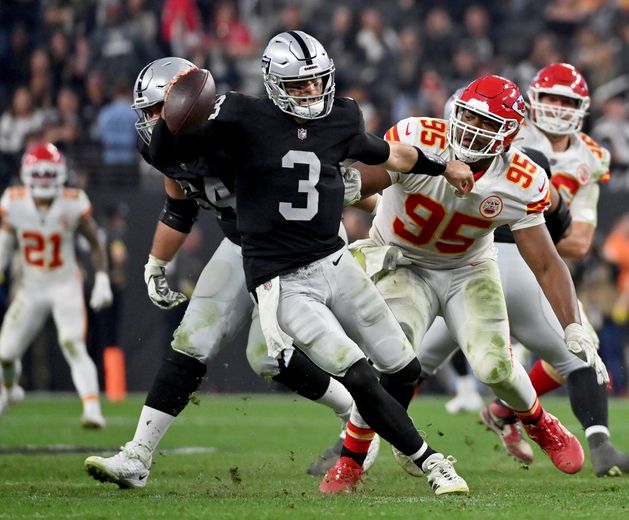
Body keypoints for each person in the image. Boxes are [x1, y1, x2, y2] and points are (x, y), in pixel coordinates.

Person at [147, 33, 473, 496]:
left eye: (318, 83)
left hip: (334, 260)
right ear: (275, 84)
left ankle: (375, 446)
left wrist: (443, 165)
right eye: (300, 86)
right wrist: (176, 110)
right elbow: (167, 155)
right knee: (357, 373)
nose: (312, 93)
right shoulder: (240, 114)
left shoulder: (340, 116)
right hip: (282, 279)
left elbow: (388, 152)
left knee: (402, 369)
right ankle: (431, 461)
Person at [83, 56, 378, 489]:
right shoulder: (161, 147)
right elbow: (178, 204)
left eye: (159, 110)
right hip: (243, 243)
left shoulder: (232, 129)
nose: (153, 122)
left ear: (188, 104)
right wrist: (156, 262)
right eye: (147, 113)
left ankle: (357, 416)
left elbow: (314, 159)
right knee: (192, 338)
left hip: (293, 247)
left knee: (265, 357)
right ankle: (137, 456)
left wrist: (358, 197)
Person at [350, 74, 605, 478]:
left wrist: (572, 324)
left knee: (495, 367)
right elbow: (360, 183)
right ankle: (351, 459)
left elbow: (545, 260)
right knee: (392, 357)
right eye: (469, 116)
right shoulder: (420, 137)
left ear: (509, 135)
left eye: (488, 124)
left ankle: (539, 422)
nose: (474, 128)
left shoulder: (520, 178)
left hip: (465, 270)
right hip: (403, 262)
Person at [420, 64, 629, 477]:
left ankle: (574, 435)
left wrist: (532, 226)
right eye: (552, 99)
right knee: (409, 358)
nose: (559, 109)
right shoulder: (506, 131)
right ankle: (351, 445)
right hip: (469, 255)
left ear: (582, 109)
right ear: (530, 102)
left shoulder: (590, 157)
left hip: (526, 257)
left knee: (580, 348)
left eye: (568, 102)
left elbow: (578, 243)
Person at [0, 143, 113, 426]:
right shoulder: (13, 202)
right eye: (38, 174)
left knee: (72, 343)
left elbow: (95, 241)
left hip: (65, 284)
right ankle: (11, 389)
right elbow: (4, 244)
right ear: (27, 175)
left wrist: (101, 277)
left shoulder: (73, 201)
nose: (44, 180)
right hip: (31, 287)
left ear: (60, 173)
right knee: (5, 354)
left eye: (48, 173)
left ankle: (92, 409)